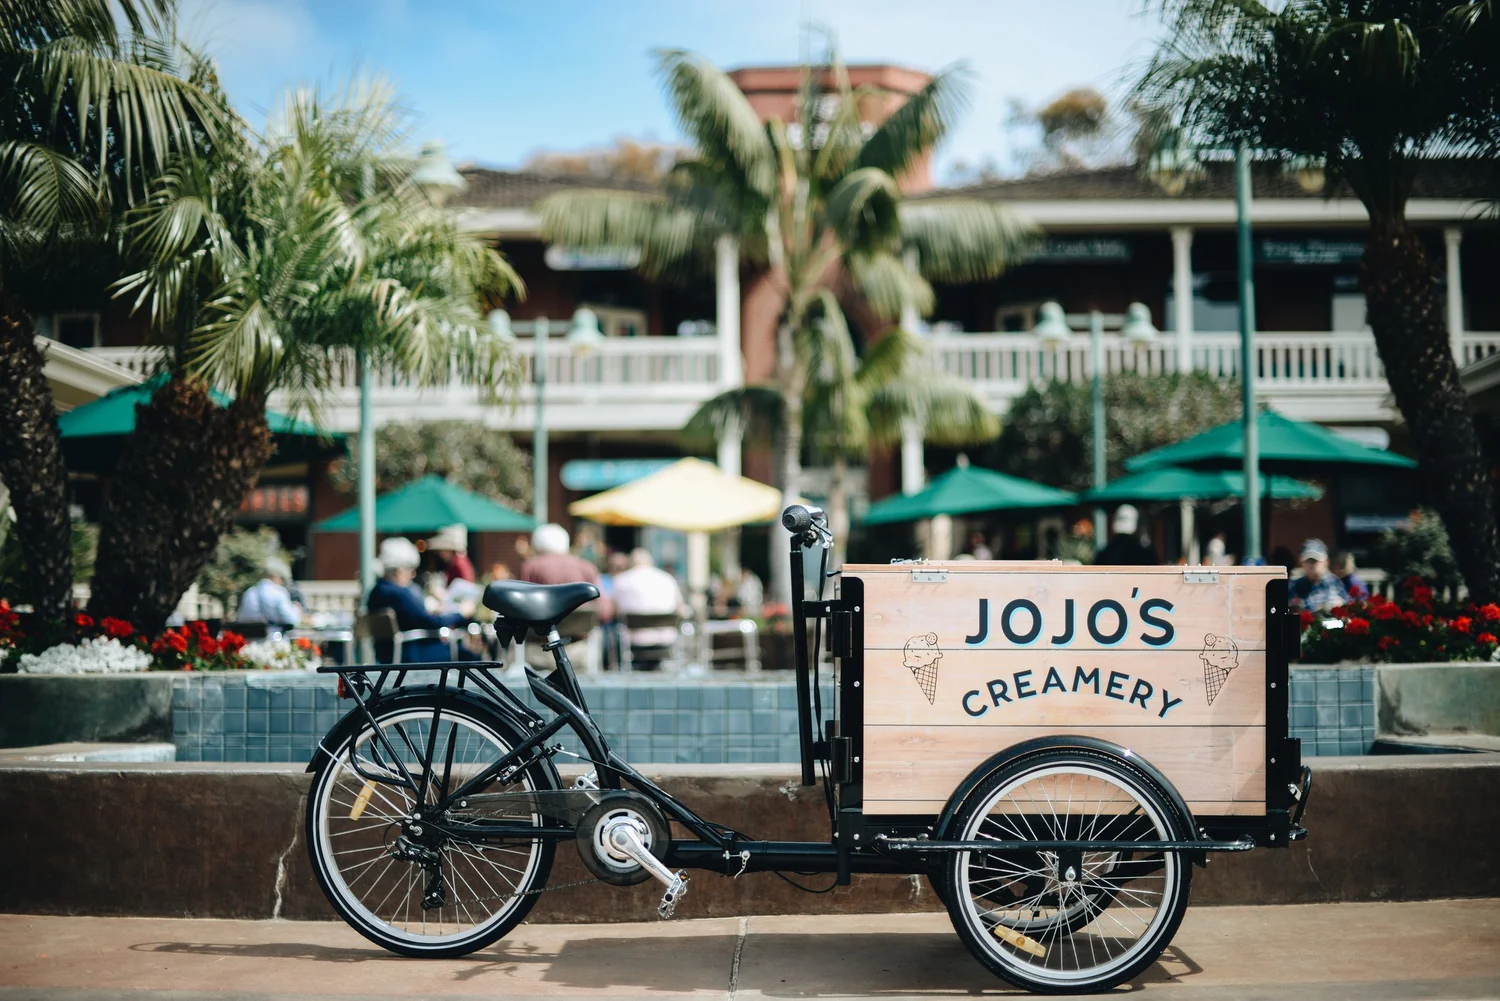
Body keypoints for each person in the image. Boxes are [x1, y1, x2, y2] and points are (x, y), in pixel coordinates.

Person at [367, 538, 472, 663]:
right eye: (410, 569)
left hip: (386, 653)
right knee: (469, 656)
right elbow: (429, 622)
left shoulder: (376, 592)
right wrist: (460, 613)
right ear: (399, 570)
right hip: (413, 651)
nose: (413, 574)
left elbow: (413, 617)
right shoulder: (399, 594)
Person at [520, 523, 611, 619]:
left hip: (545, 625)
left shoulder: (532, 567)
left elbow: (524, 605)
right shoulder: (587, 567)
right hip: (581, 626)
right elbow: (605, 610)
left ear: (536, 545)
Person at [612, 548, 687, 658]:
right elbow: (680, 608)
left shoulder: (620, 580)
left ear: (630, 563)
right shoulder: (667, 579)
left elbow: (614, 611)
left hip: (633, 640)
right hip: (666, 638)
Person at [236, 558, 301, 631]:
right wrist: (296, 610)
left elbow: (242, 618)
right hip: (273, 635)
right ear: (276, 576)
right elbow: (291, 620)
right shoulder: (279, 592)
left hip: (250, 635)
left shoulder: (249, 592)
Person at [1290, 539, 1350, 612]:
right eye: (1308, 561)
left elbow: (1347, 608)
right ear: (1301, 563)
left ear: (1326, 562)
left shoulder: (1335, 583)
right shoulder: (1294, 586)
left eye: (1315, 561)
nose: (1311, 565)